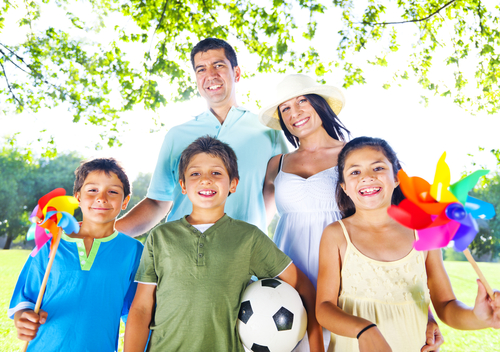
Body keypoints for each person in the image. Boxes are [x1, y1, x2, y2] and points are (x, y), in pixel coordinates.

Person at [123, 136, 324, 352]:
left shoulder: (249, 237)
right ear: (182, 185)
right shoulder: (160, 236)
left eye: (216, 173)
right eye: (195, 173)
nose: (206, 180)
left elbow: (302, 284)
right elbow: (142, 308)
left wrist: (317, 346)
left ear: (233, 183)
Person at [316, 137, 500, 352]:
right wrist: (364, 329)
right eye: (355, 172)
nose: (367, 177)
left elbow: (446, 305)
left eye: (378, 167)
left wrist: (478, 316)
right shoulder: (336, 235)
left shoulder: (425, 231)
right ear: (344, 187)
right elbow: (323, 308)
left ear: (396, 178)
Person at [115, 38, 288, 237]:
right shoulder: (177, 135)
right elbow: (157, 202)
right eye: (201, 69)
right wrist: (101, 233)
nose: (210, 75)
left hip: (244, 258)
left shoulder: (268, 129)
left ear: (237, 73)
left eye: (219, 65)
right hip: (181, 253)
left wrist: (253, 235)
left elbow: (275, 188)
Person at [9, 158, 144, 351]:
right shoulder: (50, 243)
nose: (102, 198)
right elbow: (24, 300)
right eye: (92, 190)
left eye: (113, 191)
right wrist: (23, 318)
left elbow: (136, 312)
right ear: (78, 197)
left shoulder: (133, 251)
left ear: (125, 201)